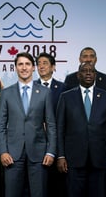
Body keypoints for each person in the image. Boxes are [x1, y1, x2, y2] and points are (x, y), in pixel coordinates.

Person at [56, 62, 106, 197]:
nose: (88, 73)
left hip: (100, 159)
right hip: (73, 160)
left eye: (91, 71)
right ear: (78, 75)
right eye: (84, 71)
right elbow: (60, 129)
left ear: (95, 75)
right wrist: (60, 156)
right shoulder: (66, 97)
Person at [0, 52, 57, 197]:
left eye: (27, 64)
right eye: (20, 64)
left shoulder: (45, 92)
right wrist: (3, 151)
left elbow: (50, 124)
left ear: (33, 68)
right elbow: (1, 125)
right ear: (15, 68)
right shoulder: (6, 93)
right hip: (12, 153)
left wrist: (51, 151)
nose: (24, 68)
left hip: (39, 153)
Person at [35, 52, 67, 197]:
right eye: (39, 63)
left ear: (53, 67)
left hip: (59, 140)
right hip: (36, 140)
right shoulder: (31, 86)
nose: (41, 66)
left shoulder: (63, 88)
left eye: (45, 63)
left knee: (58, 185)